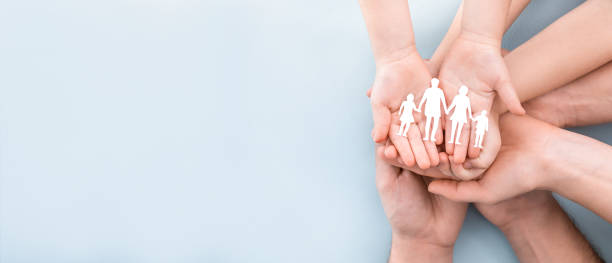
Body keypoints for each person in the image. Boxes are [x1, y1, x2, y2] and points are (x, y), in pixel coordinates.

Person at [417, 78, 447, 142]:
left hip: (436, 109)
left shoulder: (440, 91)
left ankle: (432, 136)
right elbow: (423, 99)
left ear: (437, 84)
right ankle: (426, 136)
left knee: (435, 124)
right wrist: (419, 107)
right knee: (428, 122)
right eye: (433, 82)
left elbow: (443, 101)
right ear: (432, 83)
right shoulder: (428, 90)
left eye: (436, 83)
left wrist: (445, 109)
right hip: (429, 108)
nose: (434, 84)